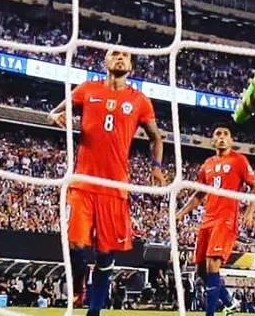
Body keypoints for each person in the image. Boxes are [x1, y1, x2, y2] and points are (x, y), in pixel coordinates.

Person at [48, 48, 164, 316]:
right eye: (114, 54)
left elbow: (156, 137)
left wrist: (156, 168)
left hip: (116, 188)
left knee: (105, 254)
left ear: (131, 67)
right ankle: (79, 284)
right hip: (83, 182)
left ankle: (94, 312)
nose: (120, 58)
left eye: (125, 56)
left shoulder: (139, 101)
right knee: (76, 244)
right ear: (105, 61)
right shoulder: (87, 90)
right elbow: (53, 113)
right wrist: (55, 116)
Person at [178, 124, 255, 316]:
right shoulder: (207, 164)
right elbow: (199, 194)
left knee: (212, 264)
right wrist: (181, 213)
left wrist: (249, 212)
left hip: (226, 218)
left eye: (225, 134)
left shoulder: (239, 160)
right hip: (207, 219)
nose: (222, 137)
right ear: (213, 140)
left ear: (231, 140)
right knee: (200, 270)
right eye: (218, 134)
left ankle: (210, 313)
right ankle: (229, 302)